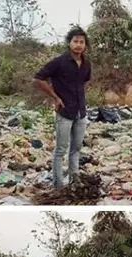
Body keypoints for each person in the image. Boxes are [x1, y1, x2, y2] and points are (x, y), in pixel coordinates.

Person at [33, 26, 92, 188]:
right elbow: (38, 79)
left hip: (81, 112)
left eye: (82, 42)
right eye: (75, 41)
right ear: (69, 43)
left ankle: (74, 179)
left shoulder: (86, 64)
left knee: (76, 148)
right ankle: (58, 184)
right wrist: (55, 97)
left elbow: (86, 80)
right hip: (64, 112)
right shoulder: (59, 62)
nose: (78, 45)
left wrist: (78, 94)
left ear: (85, 45)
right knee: (60, 150)